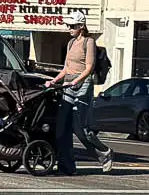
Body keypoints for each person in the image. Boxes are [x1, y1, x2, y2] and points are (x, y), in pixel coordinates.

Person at [44, 11, 109, 171]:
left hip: (83, 84)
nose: (69, 29)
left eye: (72, 26)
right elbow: (66, 68)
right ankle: (67, 164)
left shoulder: (89, 42)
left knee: (80, 128)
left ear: (81, 26)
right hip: (68, 84)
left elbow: (89, 67)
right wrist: (54, 80)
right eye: (68, 26)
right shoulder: (71, 43)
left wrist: (76, 81)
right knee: (62, 127)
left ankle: (104, 152)